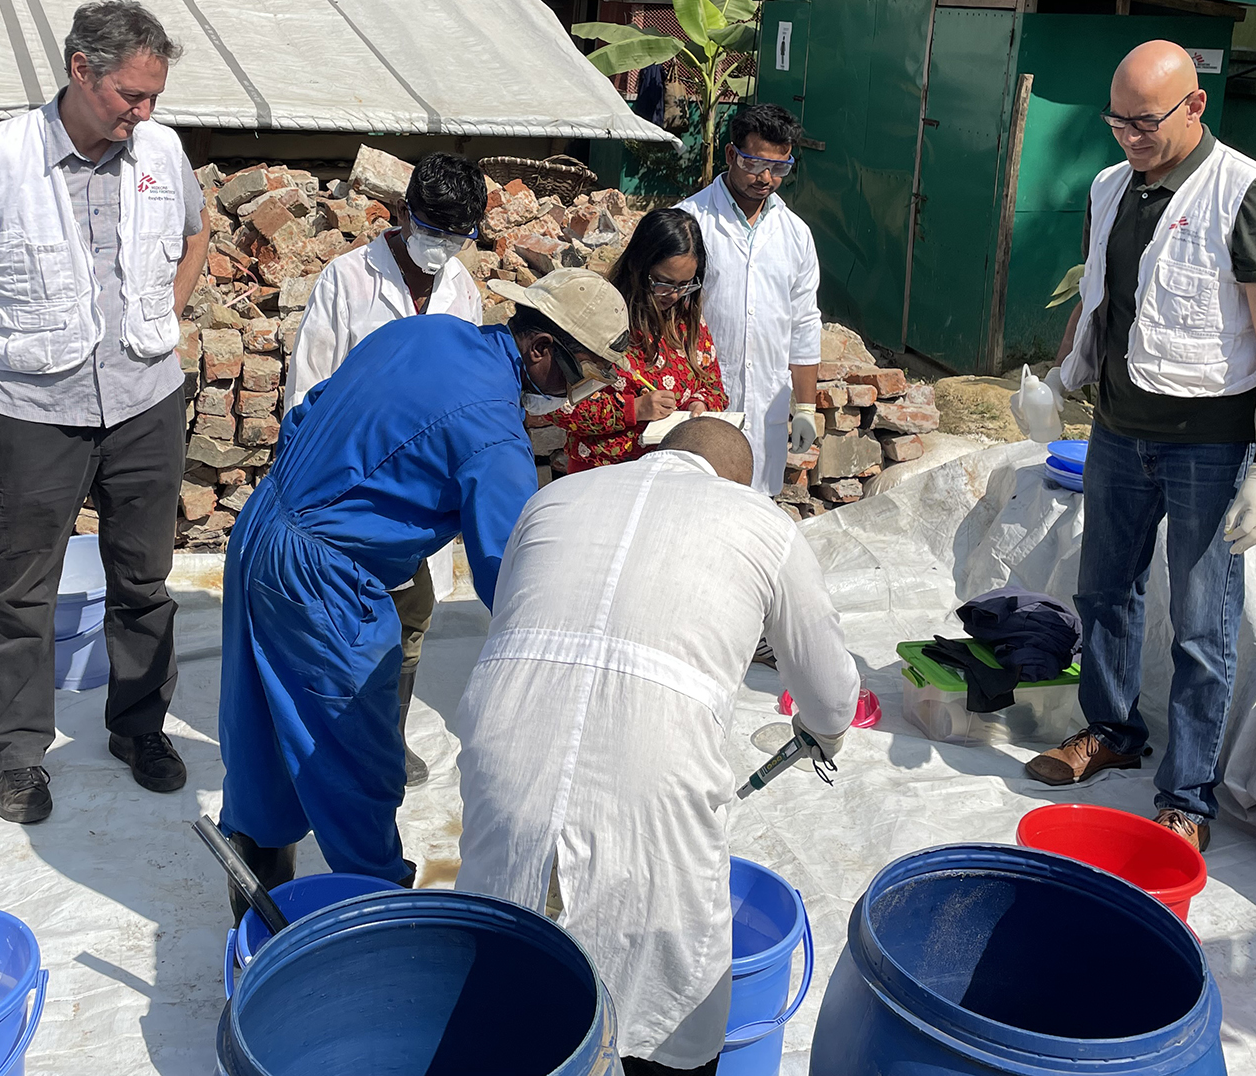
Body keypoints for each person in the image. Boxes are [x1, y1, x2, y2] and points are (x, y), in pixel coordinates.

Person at [216, 269, 630, 922]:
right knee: (356, 757)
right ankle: (381, 917)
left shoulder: (425, 333)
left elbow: (309, 413)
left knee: (261, 734)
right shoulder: (494, 435)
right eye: (580, 375)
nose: (577, 396)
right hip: (322, 576)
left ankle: (253, 913)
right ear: (542, 348)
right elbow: (510, 576)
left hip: (265, 523)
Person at [0, 0, 210, 825]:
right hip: (34, 412)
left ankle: (138, 728)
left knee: (143, 580)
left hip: (144, 401)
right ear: (81, 71)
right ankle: (18, 754)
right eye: (129, 96)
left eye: (153, 97)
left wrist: (166, 317)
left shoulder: (162, 151)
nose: (143, 113)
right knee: (22, 592)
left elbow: (197, 234)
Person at [455, 417, 858, 1075]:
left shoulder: (553, 497)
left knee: (508, 972)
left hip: (502, 749)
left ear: (658, 453)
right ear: (737, 481)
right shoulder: (761, 522)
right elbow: (832, 694)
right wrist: (823, 733)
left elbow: (516, 614)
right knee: (669, 998)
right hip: (653, 780)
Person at [1024, 40, 1256, 852]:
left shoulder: (1246, 193)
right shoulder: (1111, 185)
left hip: (1208, 449)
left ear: (1195, 107)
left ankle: (1187, 796)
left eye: (1145, 122)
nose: (1129, 137)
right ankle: (1111, 732)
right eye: (1117, 121)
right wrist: (1061, 378)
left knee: (1200, 627)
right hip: (1119, 432)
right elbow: (1101, 294)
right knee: (1104, 592)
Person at [284, 151, 489, 785]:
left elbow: (465, 397)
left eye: (458, 238)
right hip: (347, 487)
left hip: (418, 496)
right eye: (433, 231)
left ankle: (385, 738)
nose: (442, 249)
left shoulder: (461, 291)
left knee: (409, 621)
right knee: (341, 623)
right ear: (403, 215)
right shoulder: (347, 281)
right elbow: (309, 389)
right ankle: (326, 743)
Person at [679, 104, 822, 500]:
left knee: (757, 511)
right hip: (702, 406)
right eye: (755, 164)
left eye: (780, 168)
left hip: (766, 412)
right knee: (700, 506)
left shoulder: (795, 234)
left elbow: (804, 324)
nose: (766, 179)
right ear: (730, 155)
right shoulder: (690, 221)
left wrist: (806, 408)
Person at [550, 207, 726, 473]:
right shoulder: (598, 314)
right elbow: (559, 405)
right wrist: (634, 409)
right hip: (602, 474)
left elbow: (714, 388)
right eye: (664, 283)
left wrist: (699, 404)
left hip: (671, 472)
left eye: (685, 285)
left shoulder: (687, 321)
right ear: (639, 265)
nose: (674, 295)